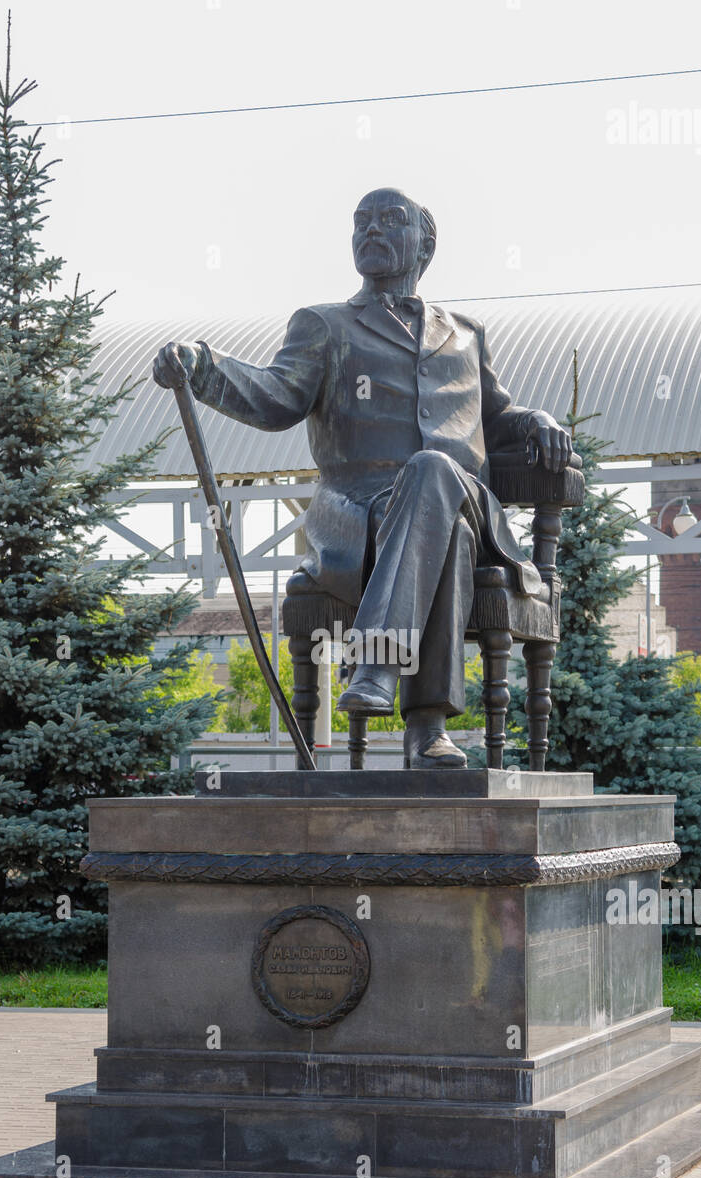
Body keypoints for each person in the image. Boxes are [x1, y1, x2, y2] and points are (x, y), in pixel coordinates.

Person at [153, 187, 571, 767]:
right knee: (445, 530)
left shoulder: (466, 332)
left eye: (389, 220)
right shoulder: (324, 325)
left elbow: (497, 419)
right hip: (361, 516)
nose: (370, 230)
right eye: (361, 222)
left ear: (425, 244)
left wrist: (540, 420)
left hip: (464, 496)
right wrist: (204, 366)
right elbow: (276, 400)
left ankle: (375, 664)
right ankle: (427, 730)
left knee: (433, 472)